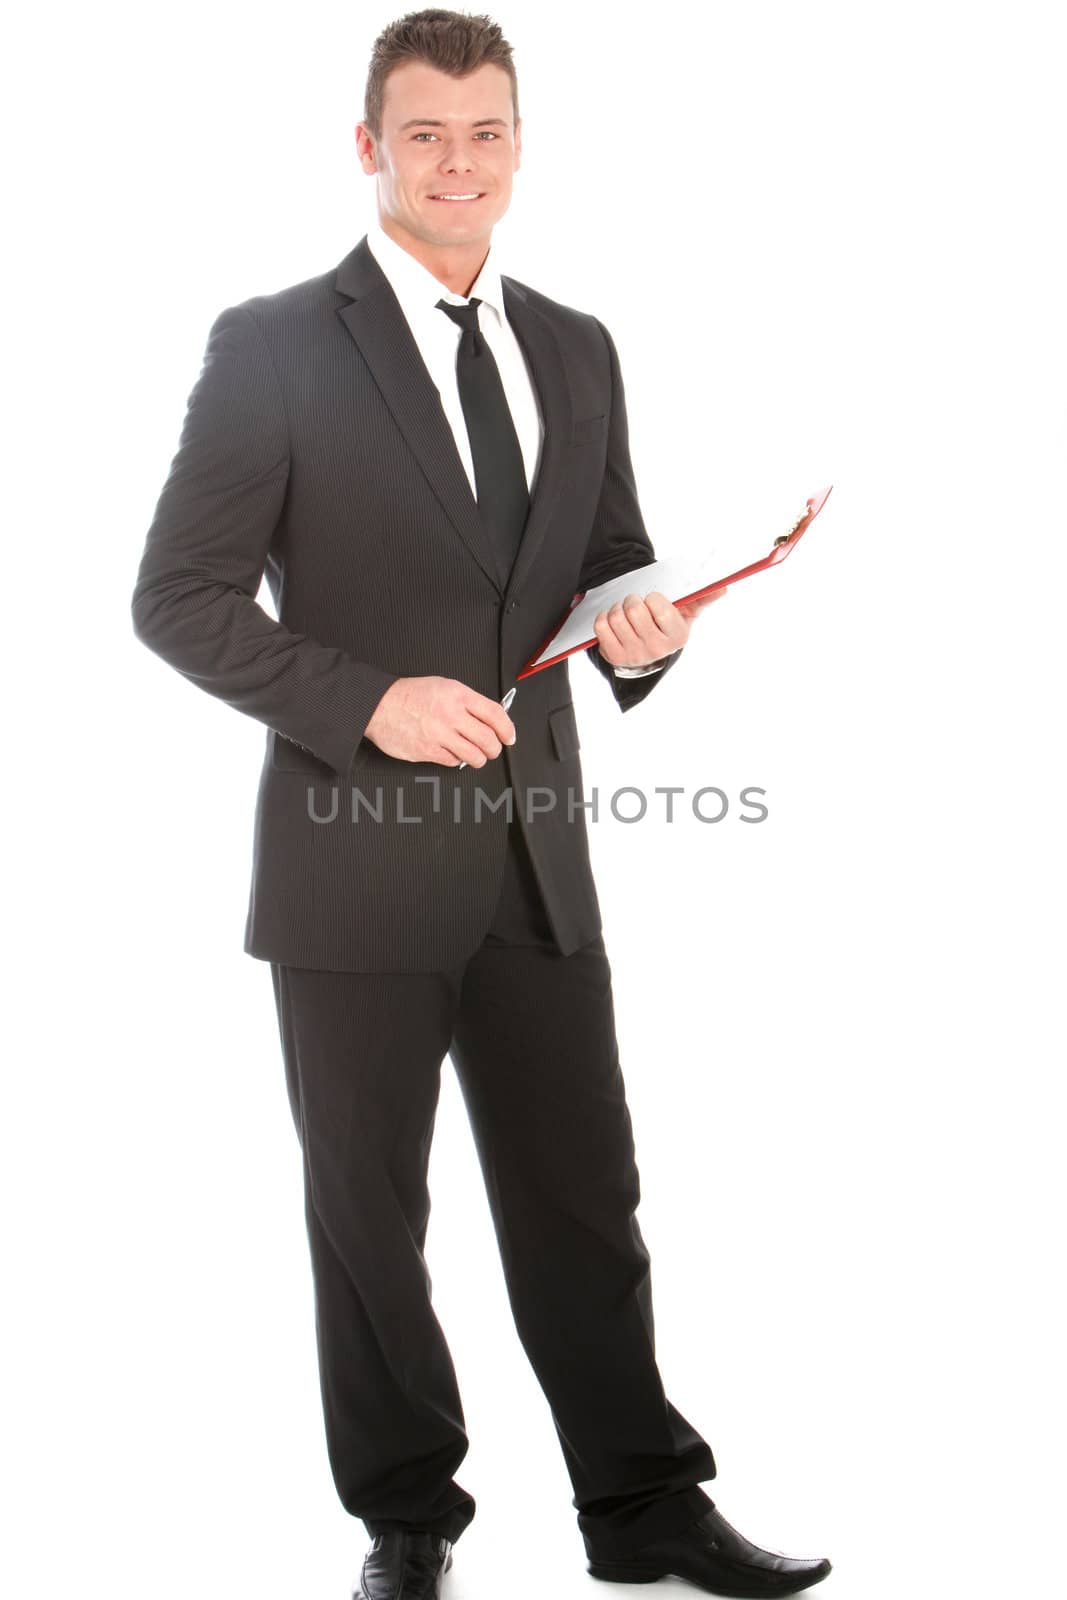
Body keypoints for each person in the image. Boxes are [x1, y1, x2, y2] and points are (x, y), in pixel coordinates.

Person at [131, 10, 832, 1598]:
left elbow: (605, 573)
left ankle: (643, 1505)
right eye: (426, 132)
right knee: (370, 1220)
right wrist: (363, 699)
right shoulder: (274, 343)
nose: (461, 161)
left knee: (589, 1196)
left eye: (488, 130)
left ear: (523, 142)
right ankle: (408, 1519)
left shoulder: (578, 345)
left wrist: (645, 637)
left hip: (539, 861)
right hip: (351, 862)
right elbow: (177, 598)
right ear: (369, 147)